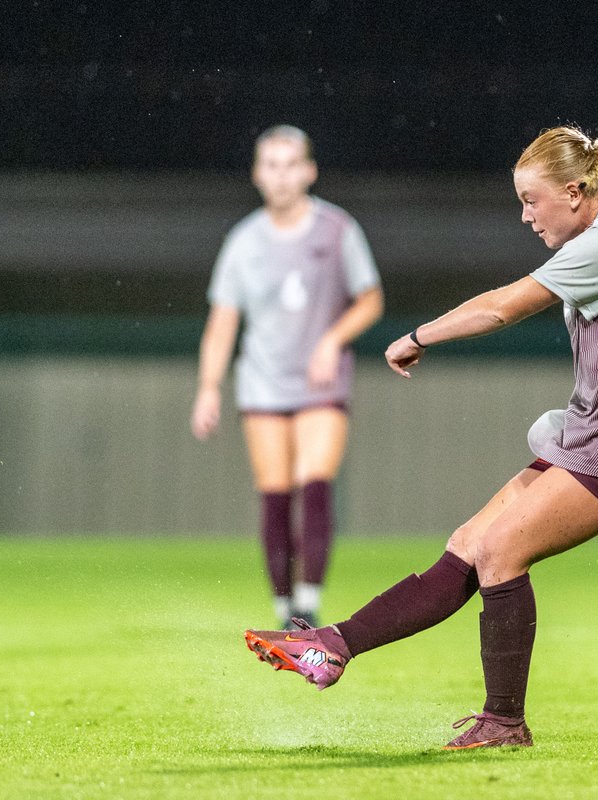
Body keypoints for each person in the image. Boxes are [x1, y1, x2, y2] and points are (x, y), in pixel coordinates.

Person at [243, 126, 598, 749]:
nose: (526, 216)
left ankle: (504, 721)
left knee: (501, 552)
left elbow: (504, 306)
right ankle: (331, 645)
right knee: (470, 544)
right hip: (597, 434)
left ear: (575, 189)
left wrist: (419, 335)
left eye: (533, 200)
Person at [192, 125, 384, 629]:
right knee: (275, 493)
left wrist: (331, 339)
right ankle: (283, 610)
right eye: (270, 165)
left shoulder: (338, 229)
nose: (280, 175)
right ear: (257, 174)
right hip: (262, 382)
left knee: (314, 482)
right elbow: (222, 323)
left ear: (309, 171)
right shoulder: (243, 242)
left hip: (321, 384)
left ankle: (308, 602)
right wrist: (208, 388)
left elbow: (370, 300)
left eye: (290, 164)